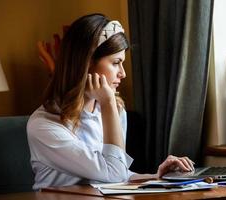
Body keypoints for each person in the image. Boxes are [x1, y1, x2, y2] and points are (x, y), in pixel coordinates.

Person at [27, 13, 194, 190]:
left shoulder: (115, 109)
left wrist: (158, 176)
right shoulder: (43, 126)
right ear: (87, 63)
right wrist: (108, 104)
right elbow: (114, 174)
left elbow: (115, 171)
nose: (123, 73)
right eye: (116, 62)